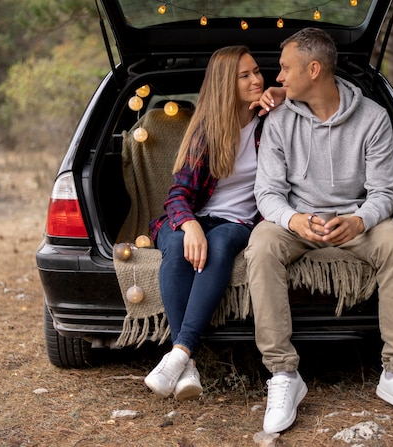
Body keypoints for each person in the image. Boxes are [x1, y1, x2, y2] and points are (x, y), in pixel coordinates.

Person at [245, 28, 393, 433]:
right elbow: (267, 192)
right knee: (261, 243)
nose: (276, 78)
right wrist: (294, 220)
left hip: (353, 221)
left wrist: (359, 220)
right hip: (298, 222)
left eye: (284, 68)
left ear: (313, 70)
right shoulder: (279, 121)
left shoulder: (373, 118)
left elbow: (384, 191)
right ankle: (283, 375)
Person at [144, 45, 266, 401]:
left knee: (223, 241)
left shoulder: (269, 126)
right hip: (191, 220)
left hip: (239, 222)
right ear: (227, 83)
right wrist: (190, 225)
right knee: (179, 248)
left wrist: (279, 92)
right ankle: (188, 363)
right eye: (245, 76)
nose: (257, 79)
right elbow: (177, 195)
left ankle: (178, 353)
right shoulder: (207, 132)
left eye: (257, 71)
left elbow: (307, 95)